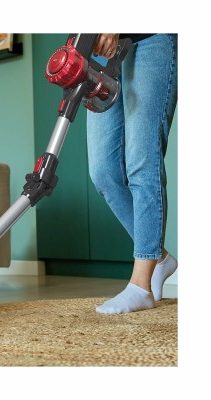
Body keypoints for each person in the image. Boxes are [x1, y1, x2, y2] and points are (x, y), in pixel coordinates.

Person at [87, 34, 178, 314]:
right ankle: (159, 259)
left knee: (142, 161)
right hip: (100, 51)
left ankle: (141, 286)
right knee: (103, 171)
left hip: (150, 38)